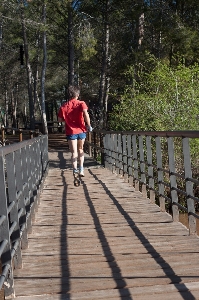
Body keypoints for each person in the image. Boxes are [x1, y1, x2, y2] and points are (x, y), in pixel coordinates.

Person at [58, 85, 92, 178]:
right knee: (81, 150)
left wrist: (67, 119)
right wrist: (88, 125)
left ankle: (75, 170)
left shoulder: (64, 106)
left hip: (71, 131)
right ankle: (81, 169)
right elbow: (86, 114)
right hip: (81, 130)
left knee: (74, 153)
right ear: (77, 93)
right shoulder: (81, 103)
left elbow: (60, 120)